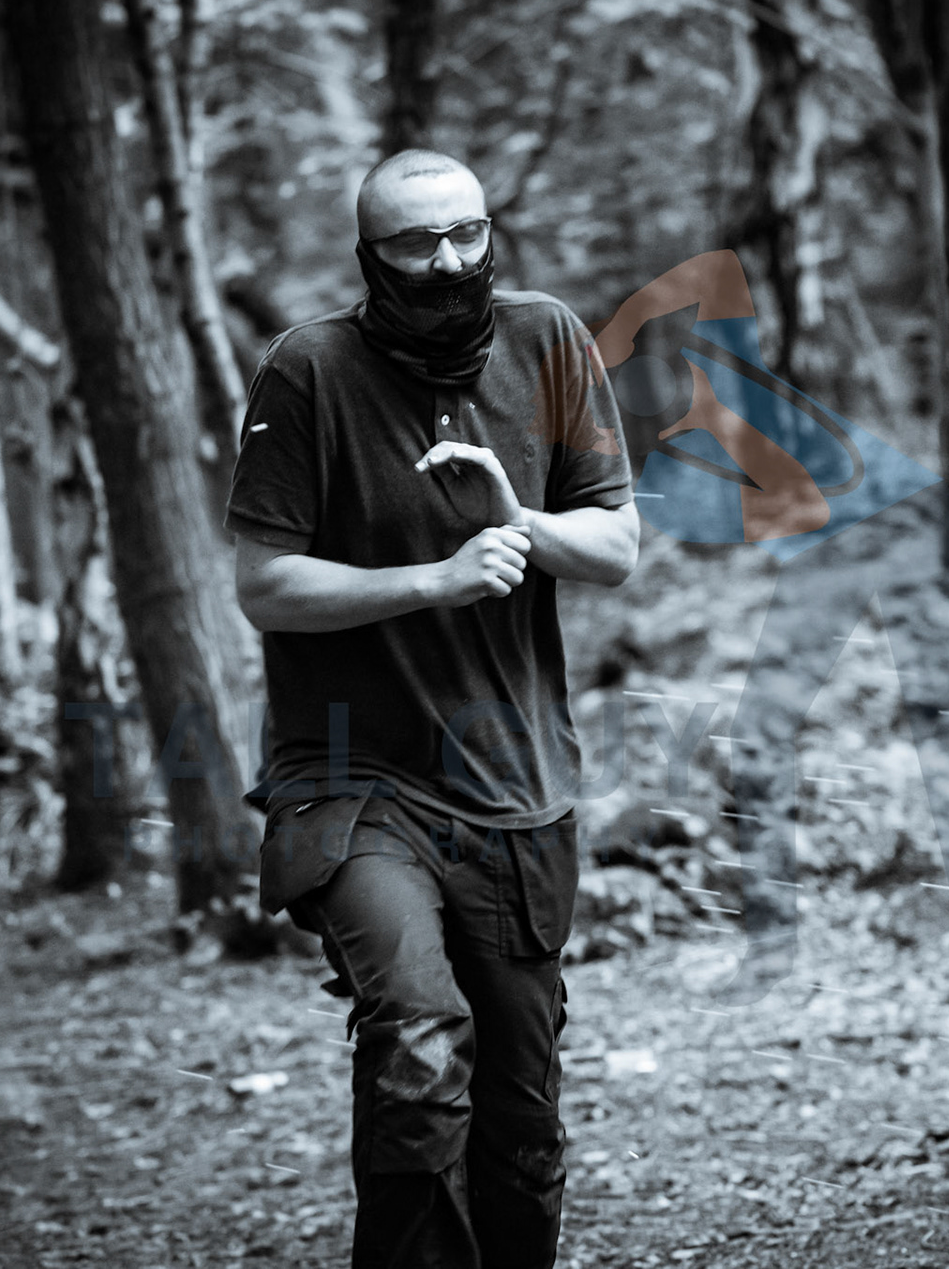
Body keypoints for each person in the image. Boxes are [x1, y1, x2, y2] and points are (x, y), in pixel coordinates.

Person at [225, 150, 638, 1269]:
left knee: (520, 1118)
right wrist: (434, 579)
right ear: (371, 256)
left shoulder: (550, 340)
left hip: (516, 781)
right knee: (415, 1041)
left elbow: (615, 546)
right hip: (352, 779)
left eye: (466, 233)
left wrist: (520, 523)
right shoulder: (307, 370)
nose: (448, 261)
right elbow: (265, 585)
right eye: (415, 242)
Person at [587, 249, 949, 997]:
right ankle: (773, 948)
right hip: (834, 553)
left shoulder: (746, 378)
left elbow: (718, 273)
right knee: (762, 733)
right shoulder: (698, 438)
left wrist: (619, 327)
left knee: (942, 731)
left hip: (903, 535)